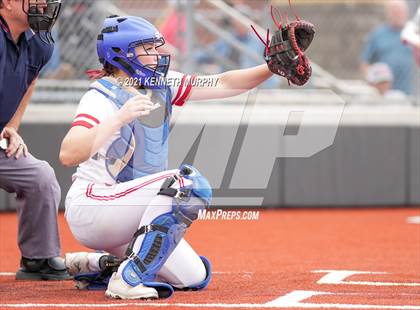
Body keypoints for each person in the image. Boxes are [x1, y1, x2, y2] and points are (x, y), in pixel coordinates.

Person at [60, 15, 275, 300]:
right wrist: (118, 119)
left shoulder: (159, 82)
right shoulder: (101, 96)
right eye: (147, 48)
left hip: (128, 211)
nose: (157, 54)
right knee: (186, 184)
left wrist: (272, 67)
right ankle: (126, 280)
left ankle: (101, 265)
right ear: (122, 52)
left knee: (194, 276)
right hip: (93, 205)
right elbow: (68, 153)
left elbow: (222, 82)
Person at [0, 0, 71, 280]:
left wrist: (12, 127)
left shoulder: (39, 44)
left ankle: (37, 258)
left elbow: (30, 82)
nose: (42, 2)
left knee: (40, 177)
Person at [361, 0, 415, 95]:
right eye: (394, 12)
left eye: (400, 11)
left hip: (413, 92)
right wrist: (372, 82)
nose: (398, 15)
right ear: (388, 13)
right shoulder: (378, 35)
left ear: (406, 13)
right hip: (386, 94)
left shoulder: (414, 34)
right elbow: (365, 62)